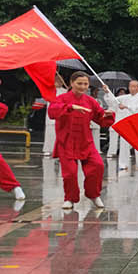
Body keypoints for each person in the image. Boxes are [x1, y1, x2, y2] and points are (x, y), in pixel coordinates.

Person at [48, 71, 113, 209]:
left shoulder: (90, 101)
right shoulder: (62, 98)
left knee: (97, 166)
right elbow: (52, 112)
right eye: (79, 83)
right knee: (70, 173)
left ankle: (93, 194)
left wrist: (108, 115)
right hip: (66, 142)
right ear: (71, 83)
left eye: (85, 84)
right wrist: (70, 107)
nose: (83, 87)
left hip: (85, 141)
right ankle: (70, 198)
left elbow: (101, 119)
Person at [111, 80, 138, 171]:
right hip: (126, 124)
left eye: (134, 87)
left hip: (137, 124)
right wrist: (107, 92)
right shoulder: (124, 97)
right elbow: (113, 101)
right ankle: (123, 164)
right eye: (131, 86)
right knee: (124, 144)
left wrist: (126, 106)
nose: (132, 88)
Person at [41, 74, 68, 157]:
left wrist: (67, 89)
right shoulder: (50, 90)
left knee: (60, 133)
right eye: (57, 80)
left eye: (60, 80)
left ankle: (60, 150)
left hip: (61, 114)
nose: (58, 82)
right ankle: (48, 149)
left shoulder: (65, 91)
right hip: (51, 114)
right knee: (50, 132)